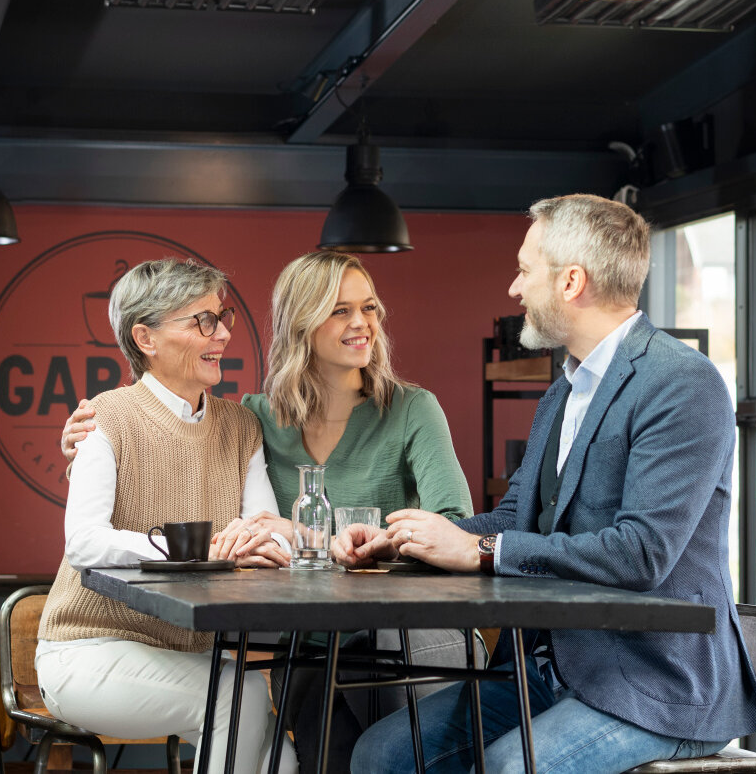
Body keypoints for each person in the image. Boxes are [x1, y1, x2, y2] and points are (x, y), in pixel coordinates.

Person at [335, 194, 756, 774]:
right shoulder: (565, 390)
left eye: (524, 270)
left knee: (509, 768)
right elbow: (517, 517)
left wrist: (482, 551)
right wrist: (411, 540)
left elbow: (641, 554)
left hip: (656, 686)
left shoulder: (681, 384)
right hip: (548, 668)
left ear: (572, 281)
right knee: (381, 753)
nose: (515, 290)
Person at [61, 250, 478, 771]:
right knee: (302, 754)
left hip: (406, 633)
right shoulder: (258, 417)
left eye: (370, 308)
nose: (362, 324)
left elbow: (455, 529)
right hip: (313, 643)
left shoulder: (412, 409)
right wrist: (87, 441)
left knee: (390, 755)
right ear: (301, 324)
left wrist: (326, 537)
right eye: (340, 310)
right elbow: (178, 455)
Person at [37, 258, 295, 774]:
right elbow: (84, 543)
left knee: (282, 758)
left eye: (221, 317)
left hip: (190, 657)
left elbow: (271, 537)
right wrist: (196, 548)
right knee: (237, 694)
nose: (222, 333)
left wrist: (262, 544)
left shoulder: (240, 425)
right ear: (146, 338)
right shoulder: (103, 417)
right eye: (202, 320)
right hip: (87, 652)